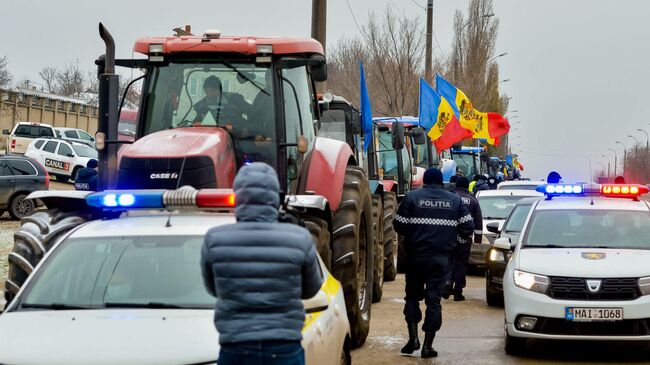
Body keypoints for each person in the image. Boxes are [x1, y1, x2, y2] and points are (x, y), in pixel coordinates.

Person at [201, 162, 322, 365]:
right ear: (275, 195)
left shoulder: (215, 239)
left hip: (236, 347)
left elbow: (213, 289)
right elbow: (312, 289)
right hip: (284, 346)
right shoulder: (299, 238)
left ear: (238, 195)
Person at [394, 168, 474, 358]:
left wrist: (415, 234)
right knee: (434, 301)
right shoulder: (454, 200)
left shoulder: (412, 197)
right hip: (440, 259)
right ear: (441, 182)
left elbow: (398, 224)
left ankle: (413, 338)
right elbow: (468, 227)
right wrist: (454, 241)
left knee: (412, 298)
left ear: (425, 181)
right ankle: (427, 346)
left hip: (415, 258)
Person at [444, 176, 483, 301]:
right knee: (461, 264)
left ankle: (447, 282)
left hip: (449, 236)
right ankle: (458, 292)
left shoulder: (449, 198)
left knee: (448, 261)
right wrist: (477, 239)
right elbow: (478, 221)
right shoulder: (473, 201)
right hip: (465, 238)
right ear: (467, 187)